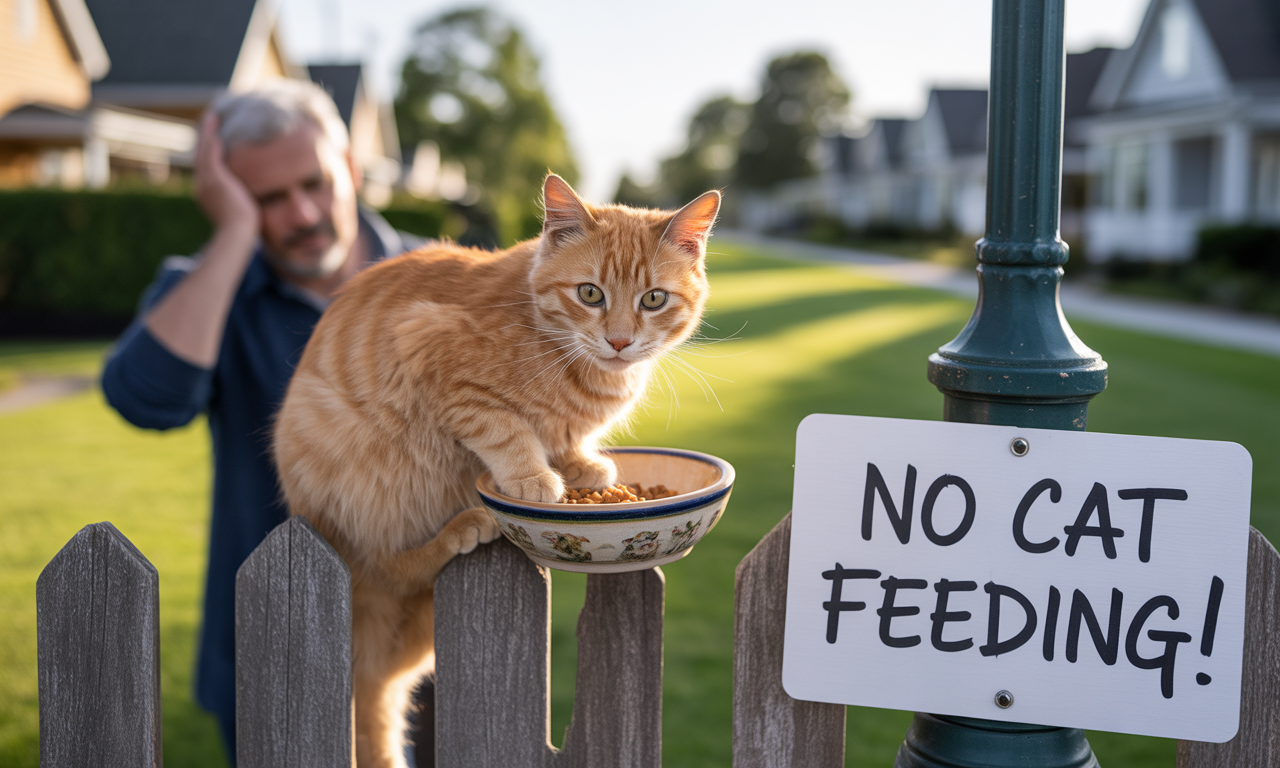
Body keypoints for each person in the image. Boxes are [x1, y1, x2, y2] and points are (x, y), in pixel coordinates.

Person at [101, 80, 427, 762]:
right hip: (273, 644)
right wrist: (233, 237)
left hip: (434, 647)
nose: (302, 213)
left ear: (351, 168)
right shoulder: (213, 287)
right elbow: (145, 399)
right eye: (267, 198)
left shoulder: (442, 278)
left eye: (314, 183)